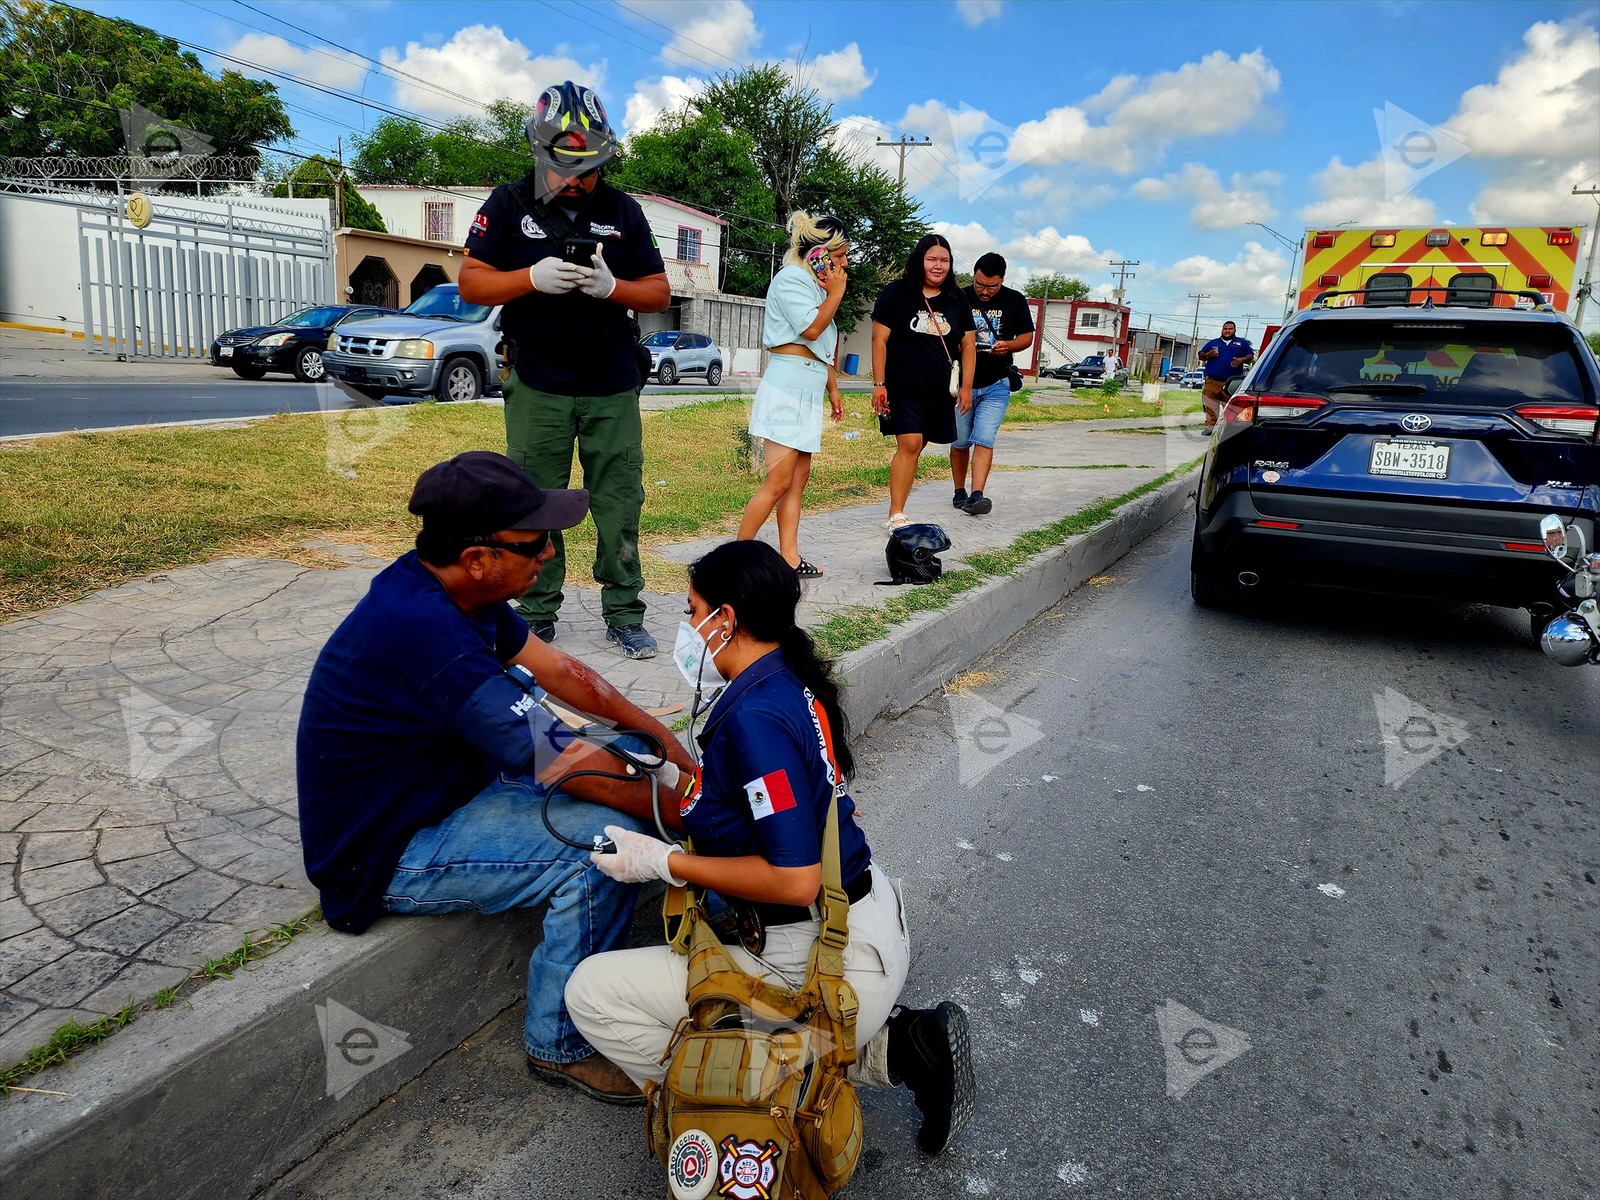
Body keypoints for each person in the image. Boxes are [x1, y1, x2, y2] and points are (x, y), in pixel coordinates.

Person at [296, 450, 699, 1104]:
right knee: (602, 846)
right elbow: (561, 758)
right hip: (391, 849)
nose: (548, 552)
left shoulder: (455, 592)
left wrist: (663, 744)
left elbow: (567, 675)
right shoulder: (427, 631)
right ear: (480, 556)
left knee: (632, 756)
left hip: (451, 789)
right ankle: (558, 1045)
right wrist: (691, 813)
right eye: (535, 542)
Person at [565, 539, 977, 1156]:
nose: (686, 628)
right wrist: (674, 781)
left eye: (690, 611)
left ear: (724, 620)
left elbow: (794, 881)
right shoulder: (785, 681)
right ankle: (903, 1046)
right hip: (861, 922)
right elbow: (776, 801)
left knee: (591, 992)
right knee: (705, 952)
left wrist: (660, 862)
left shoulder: (754, 719)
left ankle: (750, 1106)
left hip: (824, 958)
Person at [458, 81, 670, 660]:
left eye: (588, 168)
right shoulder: (507, 203)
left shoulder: (623, 210)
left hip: (610, 383)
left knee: (620, 502)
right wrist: (528, 278)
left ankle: (624, 612)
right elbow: (471, 280)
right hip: (538, 382)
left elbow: (657, 290)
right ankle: (535, 612)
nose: (574, 179)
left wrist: (611, 288)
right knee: (532, 502)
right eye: (562, 167)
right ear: (539, 152)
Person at [736, 213, 850, 576]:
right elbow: (813, 329)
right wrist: (836, 293)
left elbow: (822, 350)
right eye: (841, 256)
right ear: (820, 254)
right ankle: (732, 564)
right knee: (779, 481)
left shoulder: (816, 288)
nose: (844, 264)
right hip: (787, 386)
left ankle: (789, 556)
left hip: (808, 384)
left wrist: (833, 389)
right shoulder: (790, 281)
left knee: (798, 481)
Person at [870, 234, 977, 529]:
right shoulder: (896, 293)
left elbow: (968, 345)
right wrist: (879, 383)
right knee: (910, 442)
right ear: (920, 260)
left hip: (938, 389)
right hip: (901, 386)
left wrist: (966, 386)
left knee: (917, 446)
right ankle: (896, 513)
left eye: (944, 260)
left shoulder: (958, 299)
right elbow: (879, 340)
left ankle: (898, 507)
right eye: (932, 259)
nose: (938, 266)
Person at [955, 252, 1035, 517]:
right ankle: (959, 491)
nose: (984, 291)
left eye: (991, 286)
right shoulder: (959, 296)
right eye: (979, 284)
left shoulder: (1015, 300)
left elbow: (1027, 336)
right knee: (960, 440)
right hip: (961, 383)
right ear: (974, 276)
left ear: (1002, 280)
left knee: (985, 438)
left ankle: (977, 494)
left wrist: (1009, 345)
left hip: (996, 383)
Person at [1196, 320, 1255, 432]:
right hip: (1212, 381)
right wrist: (1208, 355)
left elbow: (1250, 355)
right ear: (1222, 330)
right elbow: (1201, 355)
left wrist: (1242, 359)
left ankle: (1229, 429)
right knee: (1210, 405)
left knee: (1232, 407)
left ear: (1234, 330)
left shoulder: (1241, 343)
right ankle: (1210, 427)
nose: (1227, 331)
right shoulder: (1213, 343)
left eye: (1230, 329)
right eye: (1225, 329)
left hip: (1232, 383)